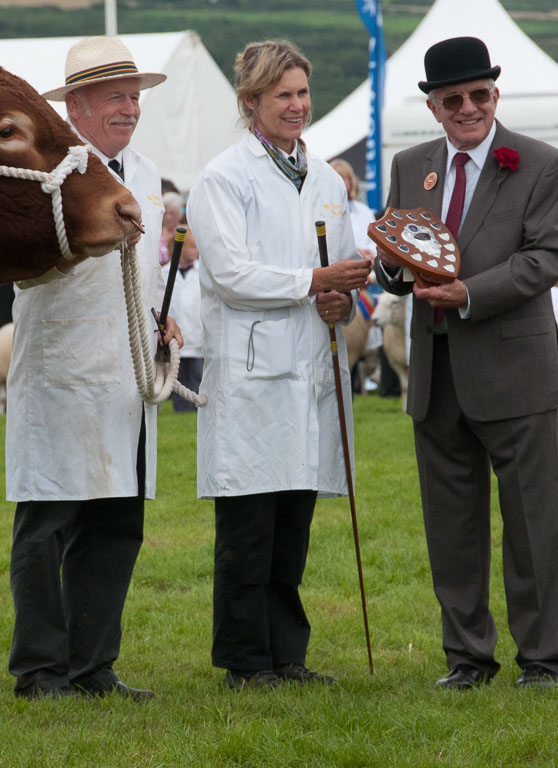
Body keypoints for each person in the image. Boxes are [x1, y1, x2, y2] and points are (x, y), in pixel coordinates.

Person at [375, 36, 558, 689]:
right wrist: (387, 265)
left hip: (515, 372)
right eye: (453, 99)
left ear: (495, 94)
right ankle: (467, 657)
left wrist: (469, 294)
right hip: (435, 373)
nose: (468, 108)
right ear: (434, 106)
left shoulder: (542, 164)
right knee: (451, 526)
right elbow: (398, 252)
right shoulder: (411, 165)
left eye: (479, 95)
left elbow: (546, 259)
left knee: (534, 524)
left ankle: (544, 659)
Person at [187, 39, 370, 689]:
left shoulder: (324, 179)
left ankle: (287, 655)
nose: (297, 106)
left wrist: (337, 299)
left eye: (301, 93)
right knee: (249, 525)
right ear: (250, 103)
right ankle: (245, 660)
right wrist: (315, 278)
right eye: (282, 95)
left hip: (310, 372)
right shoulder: (221, 178)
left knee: (293, 519)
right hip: (252, 374)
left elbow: (341, 269)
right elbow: (232, 274)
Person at [5, 36, 179, 701]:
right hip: (63, 369)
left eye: (134, 96)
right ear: (74, 105)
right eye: (114, 97)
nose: (129, 108)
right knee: (48, 522)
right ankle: (41, 669)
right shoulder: (44, 173)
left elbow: (147, 271)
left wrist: (165, 319)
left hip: (126, 374)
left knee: (116, 523)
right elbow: (22, 270)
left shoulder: (147, 172)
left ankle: (94, 665)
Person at [167, 227, 204, 412]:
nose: (196, 251)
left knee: (197, 375)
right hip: (176, 340)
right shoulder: (165, 273)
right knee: (178, 377)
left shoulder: (203, 273)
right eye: (193, 247)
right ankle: (180, 410)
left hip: (197, 336)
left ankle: (198, 408)